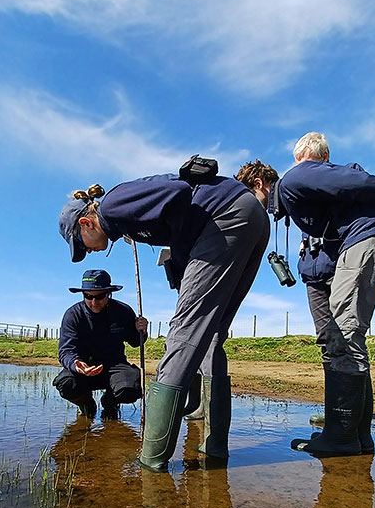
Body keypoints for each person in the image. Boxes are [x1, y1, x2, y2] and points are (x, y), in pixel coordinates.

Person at [58, 157, 270, 471]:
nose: (86, 250)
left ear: (86, 223)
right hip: (249, 215)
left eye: (80, 243)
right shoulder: (118, 221)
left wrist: (183, 250)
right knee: (211, 335)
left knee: (183, 332)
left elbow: (179, 189)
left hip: (224, 219)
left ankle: (153, 457)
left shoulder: (113, 205)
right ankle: (215, 447)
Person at [269, 132, 375, 456]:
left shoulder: (302, 173)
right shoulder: (319, 193)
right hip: (359, 246)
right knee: (344, 337)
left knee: (346, 334)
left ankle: (341, 437)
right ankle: (355, 435)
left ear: (306, 155)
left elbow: (363, 183)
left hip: (365, 242)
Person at [54, 269, 148, 419]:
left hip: (114, 366)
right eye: (88, 296)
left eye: (99, 297)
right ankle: (86, 404)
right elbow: (65, 351)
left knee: (133, 387)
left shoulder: (123, 311)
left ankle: (110, 402)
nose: (93, 302)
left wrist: (141, 331)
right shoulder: (73, 315)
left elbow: (136, 342)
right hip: (84, 368)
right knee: (66, 384)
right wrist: (75, 364)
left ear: (109, 293)